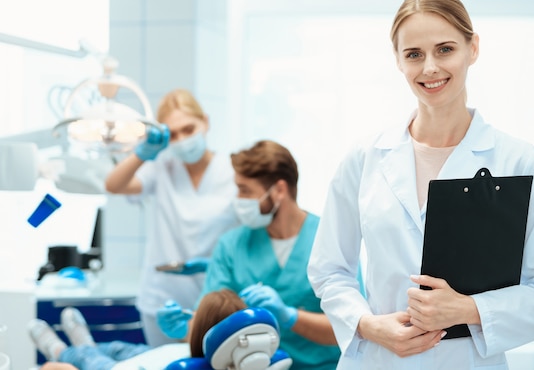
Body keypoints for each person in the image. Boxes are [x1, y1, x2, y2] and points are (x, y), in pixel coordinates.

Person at [307, 0, 534, 370]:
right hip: (380, 361)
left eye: (445, 49)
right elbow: (329, 269)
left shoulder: (517, 161)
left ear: (473, 48)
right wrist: (367, 325)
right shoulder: (365, 157)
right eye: (414, 54)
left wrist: (469, 308)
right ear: (398, 61)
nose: (430, 67)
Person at [157, 140, 341, 370]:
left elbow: (351, 328)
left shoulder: (331, 240)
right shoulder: (231, 246)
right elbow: (206, 325)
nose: (238, 199)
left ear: (279, 190)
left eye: (245, 190)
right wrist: (184, 328)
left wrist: (290, 316)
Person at [105, 88, 239, 347]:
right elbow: (113, 185)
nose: (182, 140)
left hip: (214, 301)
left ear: (206, 122)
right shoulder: (162, 167)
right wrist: (141, 154)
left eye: (189, 129)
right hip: (161, 299)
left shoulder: (233, 172)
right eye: (173, 134)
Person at [29, 289, 247, 370]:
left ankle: (58, 350)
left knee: (89, 358)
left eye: (195, 315)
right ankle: (86, 342)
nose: (190, 316)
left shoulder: (188, 366)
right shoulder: (219, 354)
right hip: (154, 355)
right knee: (117, 347)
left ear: (203, 330)